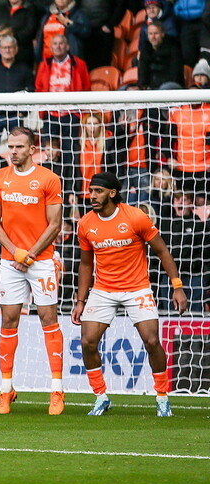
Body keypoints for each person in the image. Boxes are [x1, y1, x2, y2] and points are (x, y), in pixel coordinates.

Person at [72, 172, 187, 417]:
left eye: (98, 191)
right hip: (103, 290)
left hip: (137, 288)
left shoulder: (135, 217)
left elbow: (163, 252)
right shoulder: (85, 224)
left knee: (152, 341)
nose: (92, 195)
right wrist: (80, 301)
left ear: (112, 193)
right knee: (87, 342)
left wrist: (177, 286)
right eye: (91, 190)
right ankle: (101, 396)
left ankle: (162, 397)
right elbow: (85, 264)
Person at [0, 127, 66, 415]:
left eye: (19, 147)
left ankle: (56, 390)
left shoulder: (48, 178)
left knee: (48, 318)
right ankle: (6, 389)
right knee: (8, 320)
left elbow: (54, 224)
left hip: (41, 260)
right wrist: (15, 251)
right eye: (10, 147)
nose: (14, 152)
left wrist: (30, 254)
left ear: (32, 149)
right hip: (10, 261)